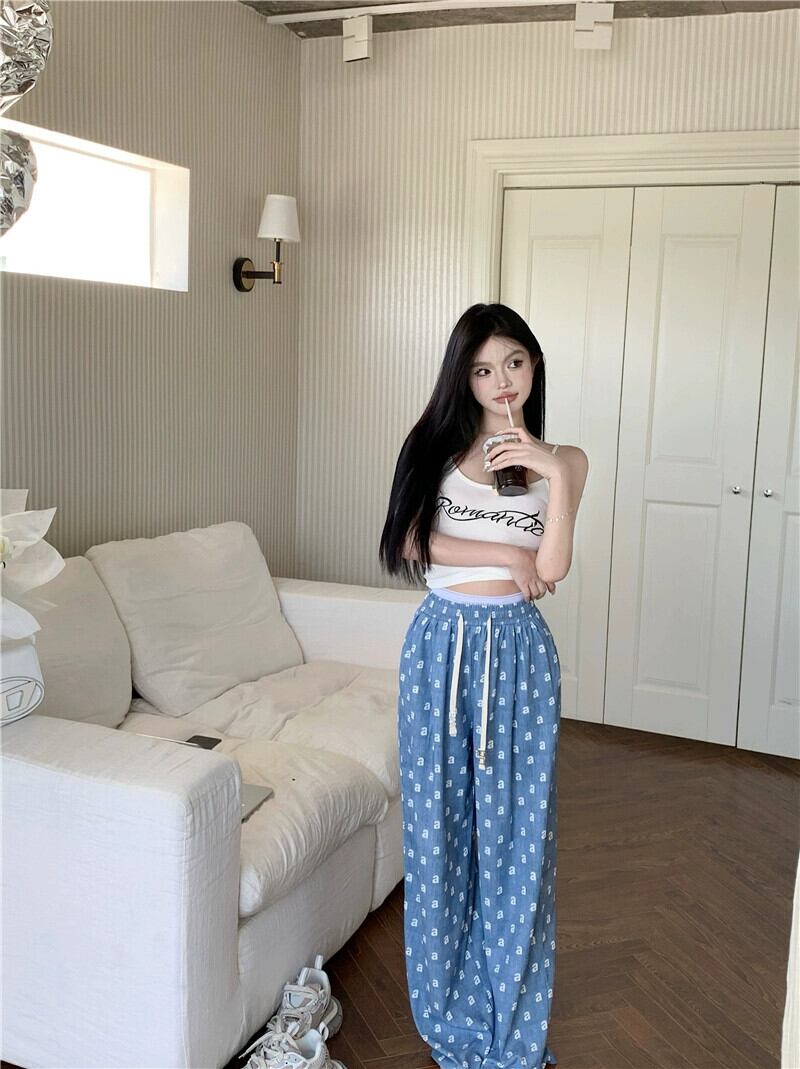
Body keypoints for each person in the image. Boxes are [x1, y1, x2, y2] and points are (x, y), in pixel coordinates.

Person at [378, 303, 589, 1069]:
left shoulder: (566, 460)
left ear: (534, 366)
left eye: (515, 363)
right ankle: (447, 1011)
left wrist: (549, 470)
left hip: (519, 658)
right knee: (438, 836)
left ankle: (512, 1023)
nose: (502, 381)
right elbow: (408, 539)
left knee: (516, 843)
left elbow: (554, 566)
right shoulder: (433, 444)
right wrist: (506, 556)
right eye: (483, 368)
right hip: (441, 648)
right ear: (463, 377)